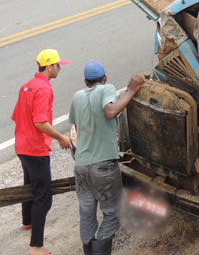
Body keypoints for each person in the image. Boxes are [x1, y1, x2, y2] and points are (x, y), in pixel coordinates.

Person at [69, 62, 144, 255]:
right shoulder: (107, 89)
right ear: (105, 79)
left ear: (86, 81)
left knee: (86, 213)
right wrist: (132, 90)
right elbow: (110, 111)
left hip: (81, 166)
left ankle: (89, 250)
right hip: (103, 166)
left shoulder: (77, 97)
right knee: (112, 213)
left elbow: (77, 128)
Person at [12, 49, 72, 255]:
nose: (60, 68)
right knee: (43, 196)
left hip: (21, 145)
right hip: (36, 150)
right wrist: (61, 138)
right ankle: (36, 246)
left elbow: (17, 116)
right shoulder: (44, 89)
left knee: (29, 184)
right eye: (58, 65)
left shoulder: (26, 86)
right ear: (49, 67)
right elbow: (40, 122)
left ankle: (26, 222)